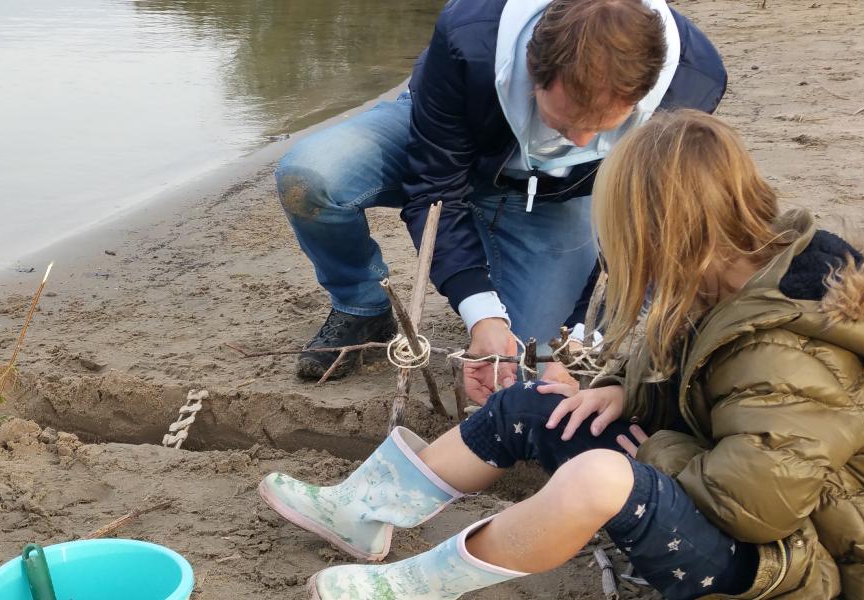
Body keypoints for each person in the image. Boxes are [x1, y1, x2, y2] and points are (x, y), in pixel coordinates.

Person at [260, 110, 864, 599]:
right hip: (730, 496)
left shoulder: (785, 353)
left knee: (600, 477)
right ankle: (363, 514)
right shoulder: (730, 286)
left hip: (796, 566)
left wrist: (648, 453)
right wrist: (627, 393)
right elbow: (700, 387)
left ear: (662, 236)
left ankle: (417, 585)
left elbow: (756, 506)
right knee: (541, 401)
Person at [277, 0, 726, 404]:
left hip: (552, 200)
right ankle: (363, 306)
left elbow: (653, 232)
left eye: (603, 127)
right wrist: (482, 315)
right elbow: (435, 187)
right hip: (449, 140)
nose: (584, 140)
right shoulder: (470, 37)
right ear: (533, 69)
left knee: (533, 365)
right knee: (310, 176)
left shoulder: (692, 83)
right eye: (566, 121)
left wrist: (577, 345)